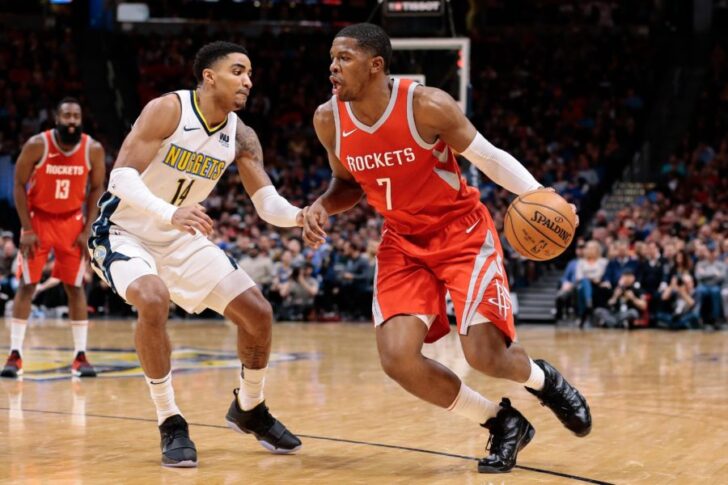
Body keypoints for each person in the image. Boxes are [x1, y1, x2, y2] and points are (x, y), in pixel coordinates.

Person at [302, 23, 591, 474]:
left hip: (461, 234)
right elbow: (346, 183)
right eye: (332, 58)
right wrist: (322, 205)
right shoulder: (328, 119)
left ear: (376, 65)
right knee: (397, 359)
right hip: (401, 241)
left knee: (484, 355)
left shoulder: (427, 105)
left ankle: (544, 380)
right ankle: (500, 421)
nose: (332, 67)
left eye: (344, 58)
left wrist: (542, 194)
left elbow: (490, 157)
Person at [87, 41, 302, 467]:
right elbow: (121, 178)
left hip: (181, 237)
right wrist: (171, 213)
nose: (248, 81)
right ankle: (170, 420)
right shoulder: (168, 110)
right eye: (238, 71)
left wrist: (301, 216)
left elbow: (266, 203)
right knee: (152, 298)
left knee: (257, 313)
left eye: (250, 73)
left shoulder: (241, 134)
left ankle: (250, 407)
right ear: (209, 76)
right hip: (125, 232)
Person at [1, 98, 105, 379]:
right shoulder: (38, 144)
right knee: (27, 284)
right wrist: (26, 228)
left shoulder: (92, 149)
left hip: (72, 222)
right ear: (56, 119)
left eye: (76, 116)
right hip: (39, 219)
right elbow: (19, 186)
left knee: (75, 287)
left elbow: (97, 188)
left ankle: (80, 356)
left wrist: (87, 229)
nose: (72, 120)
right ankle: (15, 354)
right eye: (67, 115)